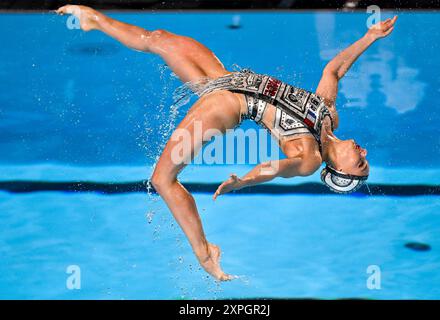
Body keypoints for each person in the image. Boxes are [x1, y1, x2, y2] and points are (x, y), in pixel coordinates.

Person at [56, 5, 397, 281]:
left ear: (337, 169)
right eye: (364, 159)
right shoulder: (328, 117)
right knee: (157, 38)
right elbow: (334, 71)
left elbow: (276, 168)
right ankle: (94, 19)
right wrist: (370, 37)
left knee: (162, 179)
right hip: (226, 80)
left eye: (361, 163)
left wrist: (244, 181)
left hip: (227, 105)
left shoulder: (309, 157)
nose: (363, 152)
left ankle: (205, 252)